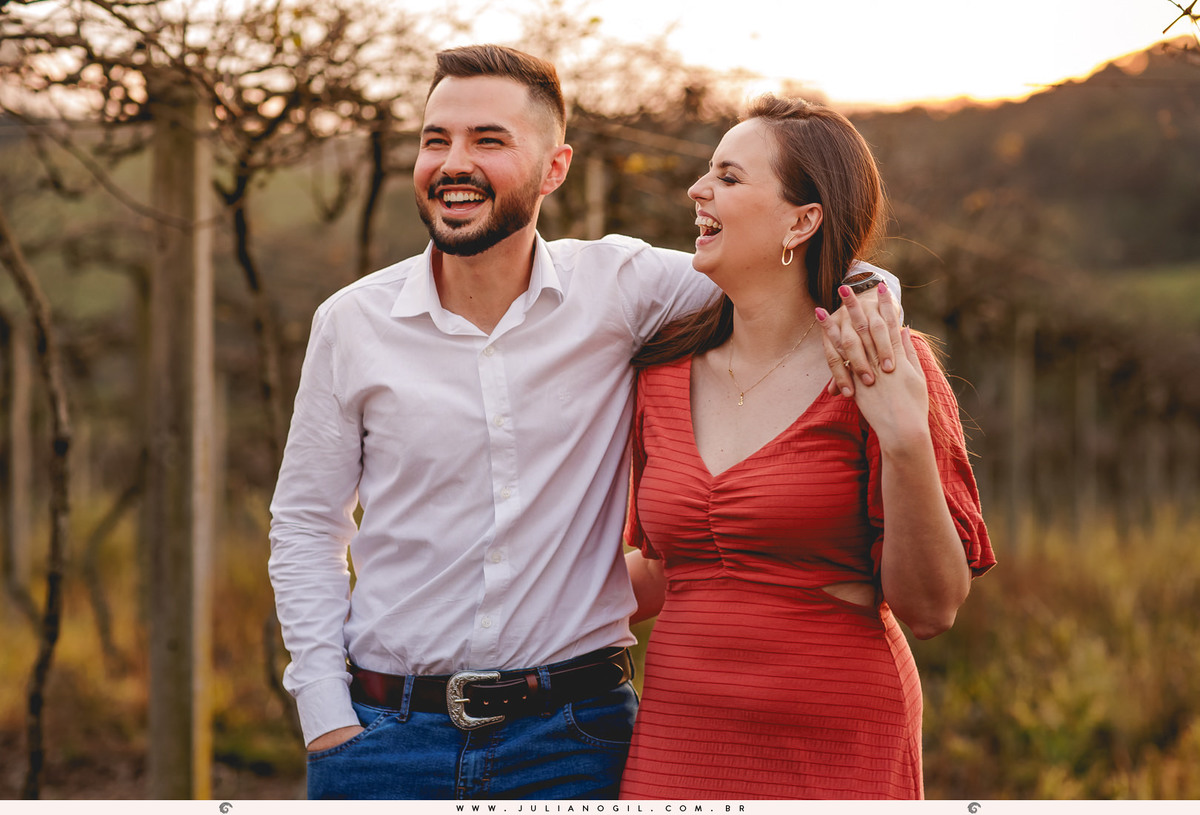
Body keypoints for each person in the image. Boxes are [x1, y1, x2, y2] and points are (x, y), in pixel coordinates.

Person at [268, 44, 895, 800]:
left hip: (574, 739)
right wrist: (324, 712)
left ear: (555, 168)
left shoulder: (624, 289)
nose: (452, 162)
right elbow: (306, 522)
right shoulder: (353, 323)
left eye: (488, 141)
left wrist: (870, 292)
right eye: (436, 139)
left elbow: (790, 274)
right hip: (384, 740)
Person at [619, 95, 995, 800]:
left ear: (802, 220)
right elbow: (668, 568)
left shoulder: (886, 361)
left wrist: (905, 436)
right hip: (678, 734)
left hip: (835, 735)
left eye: (728, 177)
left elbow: (933, 607)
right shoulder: (658, 374)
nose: (697, 190)